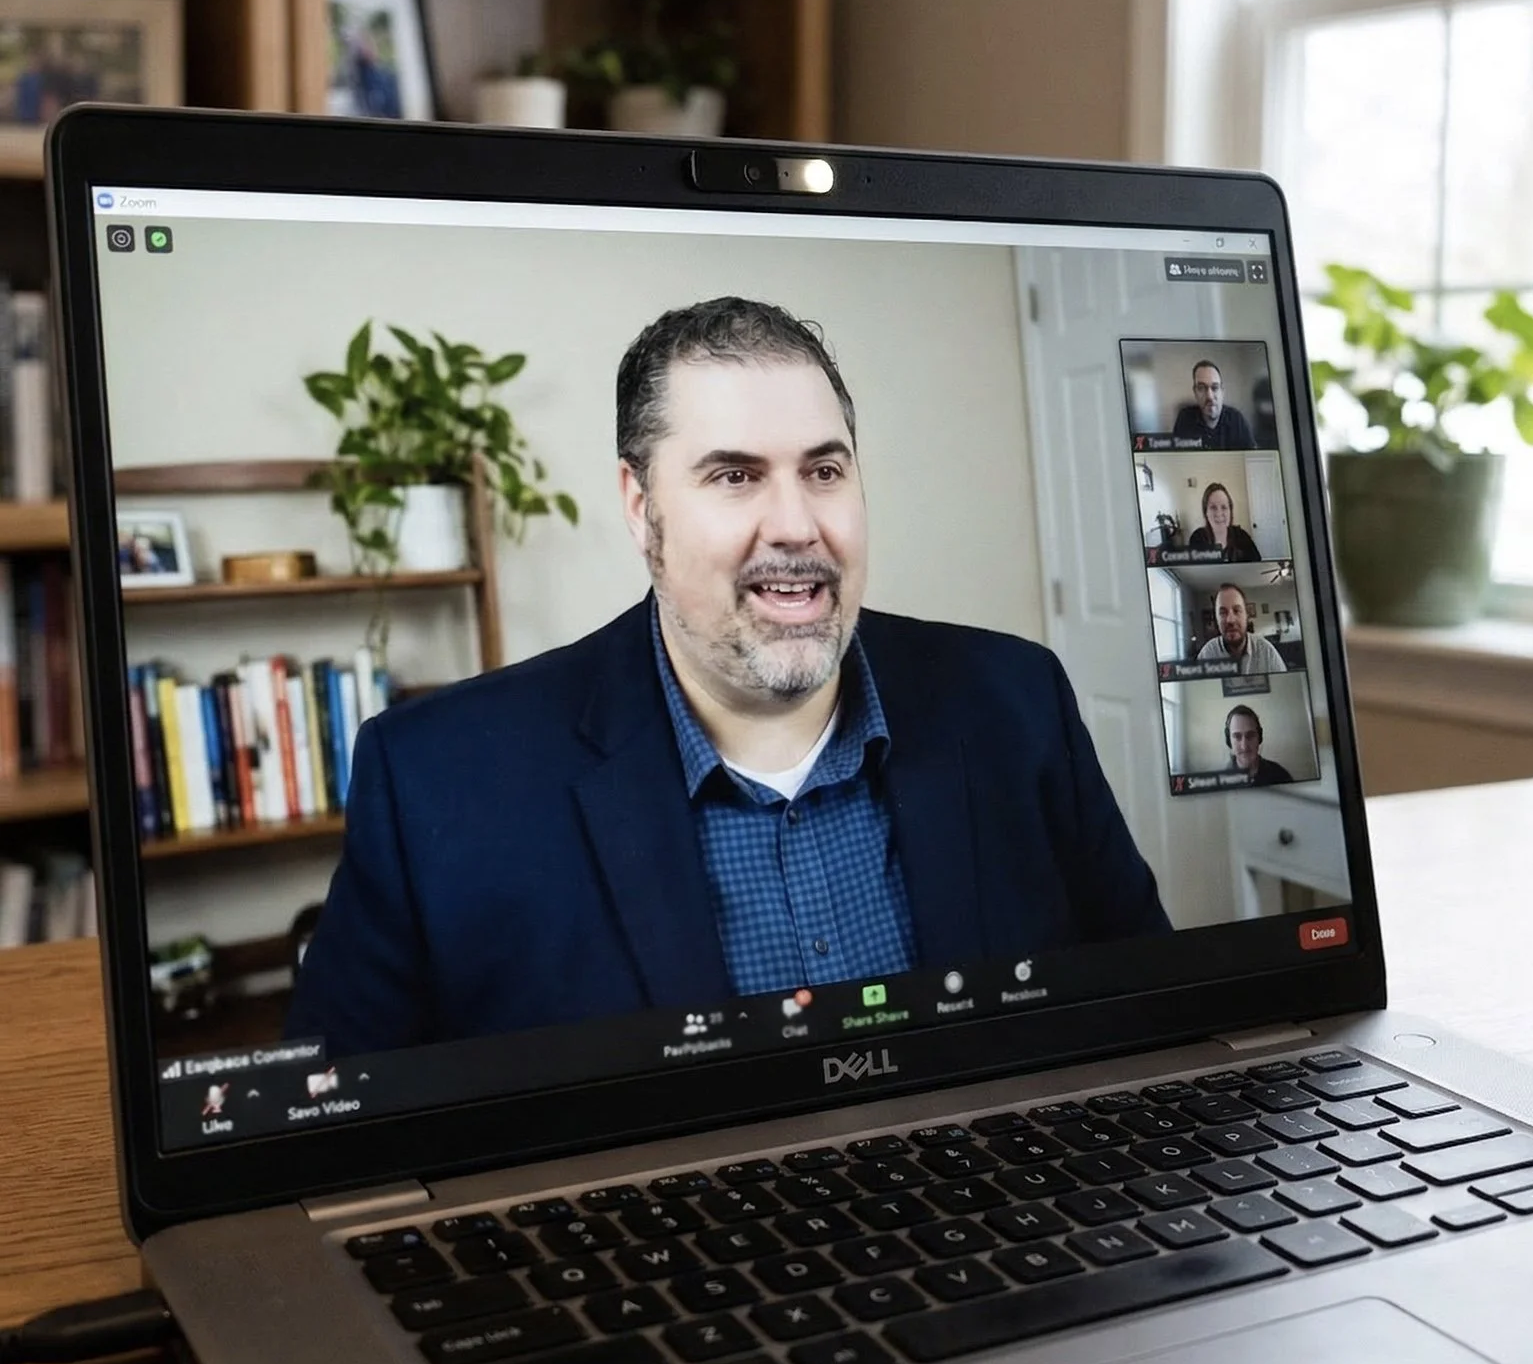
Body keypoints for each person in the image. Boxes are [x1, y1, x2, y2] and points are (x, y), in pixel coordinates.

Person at [286, 296, 1171, 1056]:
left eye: (824, 470)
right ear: (642, 509)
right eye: (736, 476)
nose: (795, 525)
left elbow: (1158, 1020)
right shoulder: (437, 781)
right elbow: (323, 1133)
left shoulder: (1018, 702)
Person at [1196, 583, 1286, 674]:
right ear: (1216, 618)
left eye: (1237, 610)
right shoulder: (1206, 654)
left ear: (1247, 615)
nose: (1230, 620)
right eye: (1223, 613)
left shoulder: (1267, 652)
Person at [1172, 360, 1255, 450]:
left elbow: (1252, 456)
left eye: (1215, 388)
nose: (1210, 396)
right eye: (1201, 388)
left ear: (1222, 392)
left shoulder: (1237, 419)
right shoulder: (1184, 418)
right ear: (1195, 393)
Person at [1189, 481, 1261, 561]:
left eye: (1224, 507)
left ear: (1230, 511)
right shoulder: (1197, 538)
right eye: (1213, 507)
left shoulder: (1242, 537)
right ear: (1205, 512)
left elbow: (1257, 566)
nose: (1219, 513)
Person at [1223, 705, 1293, 785]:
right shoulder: (1220, 782)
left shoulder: (1280, 775)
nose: (1244, 746)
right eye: (1237, 737)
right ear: (1229, 740)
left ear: (1259, 737)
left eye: (1250, 735)